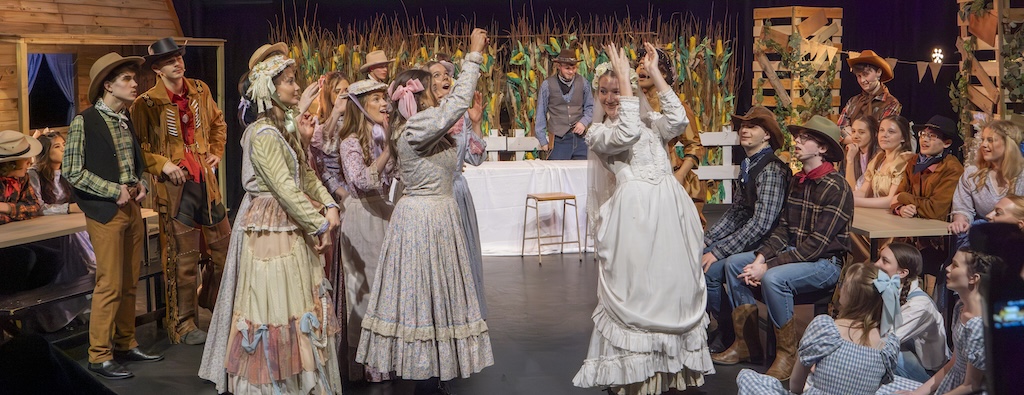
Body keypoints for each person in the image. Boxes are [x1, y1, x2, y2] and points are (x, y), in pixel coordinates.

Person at [356, 29, 494, 392]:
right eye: (431, 90)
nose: (438, 94)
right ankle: (421, 379)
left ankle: (431, 376)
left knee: (435, 299)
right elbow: (456, 104)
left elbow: (465, 141)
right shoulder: (416, 127)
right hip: (424, 220)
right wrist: (474, 56)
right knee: (421, 299)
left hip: (438, 216)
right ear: (415, 98)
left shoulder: (423, 129)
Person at [572, 43, 713, 395]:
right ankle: (634, 376)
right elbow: (626, 133)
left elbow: (679, 120)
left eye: (614, 89)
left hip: (668, 211)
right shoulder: (599, 133)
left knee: (671, 290)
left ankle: (667, 372)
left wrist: (658, 76)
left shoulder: (650, 120)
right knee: (638, 294)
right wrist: (624, 78)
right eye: (603, 91)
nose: (609, 96)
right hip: (634, 217)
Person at [198, 50, 342, 394]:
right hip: (269, 229)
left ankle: (301, 379)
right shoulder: (261, 134)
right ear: (269, 88)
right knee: (272, 308)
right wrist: (318, 224)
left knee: (297, 305)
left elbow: (305, 174)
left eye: (294, 79)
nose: (297, 86)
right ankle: (274, 384)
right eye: (289, 81)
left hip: (289, 225)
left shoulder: (282, 128)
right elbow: (284, 188)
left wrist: (329, 202)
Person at [712, 115, 853, 382]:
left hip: (824, 264)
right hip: (794, 253)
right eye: (798, 137)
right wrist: (761, 257)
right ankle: (746, 344)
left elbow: (817, 245)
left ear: (822, 149)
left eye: (805, 138)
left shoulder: (837, 187)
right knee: (734, 264)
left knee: (774, 278)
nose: (797, 141)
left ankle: (787, 354)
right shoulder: (798, 180)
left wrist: (767, 267)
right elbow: (783, 229)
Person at [64, 52, 164, 379]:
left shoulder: (125, 118)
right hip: (106, 212)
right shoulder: (85, 121)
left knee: (129, 282)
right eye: (127, 79)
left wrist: (142, 183)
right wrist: (112, 190)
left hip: (132, 209)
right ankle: (99, 355)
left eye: (133, 79)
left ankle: (125, 342)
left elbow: (134, 163)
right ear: (108, 85)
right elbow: (72, 171)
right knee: (109, 284)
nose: (135, 84)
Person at [129, 37, 230, 345]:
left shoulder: (200, 89)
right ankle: (183, 324)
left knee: (225, 252)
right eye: (171, 60)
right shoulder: (145, 104)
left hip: (207, 185)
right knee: (182, 261)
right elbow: (139, 148)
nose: (178, 63)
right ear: (158, 69)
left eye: (180, 58)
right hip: (175, 190)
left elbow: (217, 123)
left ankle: (215, 304)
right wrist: (161, 165)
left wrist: (215, 150)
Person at [736, 262, 900, 394]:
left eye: (843, 284)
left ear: (849, 294)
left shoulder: (825, 328)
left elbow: (795, 385)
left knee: (748, 377)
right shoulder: (888, 345)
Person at [703, 105, 789, 354]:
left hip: (770, 243)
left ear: (767, 135)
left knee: (711, 267)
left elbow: (763, 224)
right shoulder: (749, 165)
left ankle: (731, 333)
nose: (744, 130)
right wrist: (708, 240)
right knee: (703, 254)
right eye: (743, 126)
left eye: (752, 126)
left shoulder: (771, 169)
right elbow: (738, 212)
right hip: (754, 237)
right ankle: (724, 329)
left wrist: (719, 251)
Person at [335, 78, 396, 383]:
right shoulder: (350, 143)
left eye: (385, 98)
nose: (384, 104)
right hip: (362, 216)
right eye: (377, 99)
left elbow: (395, 173)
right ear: (361, 105)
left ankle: (389, 358)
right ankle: (368, 365)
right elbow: (361, 180)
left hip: (384, 211)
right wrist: (389, 150)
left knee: (386, 287)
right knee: (366, 290)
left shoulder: (382, 137)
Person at [426, 58, 489, 319]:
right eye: (437, 76)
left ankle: (464, 311)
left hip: (458, 192)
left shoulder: (460, 115)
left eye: (447, 75)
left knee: (463, 252)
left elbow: (476, 158)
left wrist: (475, 122)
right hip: (436, 194)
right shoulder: (425, 118)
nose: (445, 79)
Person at [882, 248, 993, 394]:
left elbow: (972, 385)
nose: (947, 268)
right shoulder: (960, 306)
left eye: (955, 265)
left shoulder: (978, 324)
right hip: (951, 382)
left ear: (973, 278)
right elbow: (954, 363)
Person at [25, 131, 96, 333]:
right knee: (73, 246)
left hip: (69, 228)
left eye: (64, 144)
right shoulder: (35, 174)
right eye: (58, 146)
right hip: (48, 234)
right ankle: (57, 317)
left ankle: (75, 310)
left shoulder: (68, 173)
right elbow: (37, 207)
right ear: (46, 152)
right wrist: (67, 208)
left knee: (79, 237)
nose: (64, 149)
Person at [635, 45, 707, 225]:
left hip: (670, 175)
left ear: (663, 74)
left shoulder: (676, 107)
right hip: (639, 178)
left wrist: (681, 175)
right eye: (640, 64)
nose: (642, 68)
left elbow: (694, 145)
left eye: (648, 64)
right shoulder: (630, 105)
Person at [872, 242, 949, 382]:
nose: (876, 264)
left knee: (878, 355)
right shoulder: (889, 288)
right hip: (906, 349)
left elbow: (886, 341)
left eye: (885, 261)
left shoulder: (919, 305)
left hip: (929, 373)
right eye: (879, 258)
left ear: (902, 273)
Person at [851, 115, 915, 262]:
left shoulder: (904, 160)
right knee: (847, 226)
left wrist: (852, 201)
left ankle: (873, 270)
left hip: (893, 223)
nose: (884, 135)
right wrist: (843, 195)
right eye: (881, 130)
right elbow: (863, 191)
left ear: (903, 138)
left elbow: (889, 201)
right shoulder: (879, 158)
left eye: (891, 132)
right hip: (876, 217)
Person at [0, 130, 56, 296]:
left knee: (53, 258)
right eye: (25, 159)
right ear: (11, 163)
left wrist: (7, 208)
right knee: (24, 258)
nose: (29, 162)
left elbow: (34, 206)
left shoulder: (21, 179)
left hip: (12, 239)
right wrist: (17, 213)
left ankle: (28, 311)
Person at [949, 120, 1024, 242]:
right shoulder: (972, 174)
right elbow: (962, 208)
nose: (983, 145)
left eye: (990, 140)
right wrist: (960, 221)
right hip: (982, 233)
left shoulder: (1022, 176)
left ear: (1008, 144)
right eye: (983, 139)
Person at [891, 116, 965, 221]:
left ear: (946, 143)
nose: (924, 139)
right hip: (910, 228)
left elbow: (934, 210)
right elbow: (896, 197)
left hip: (936, 232)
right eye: (923, 134)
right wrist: (901, 208)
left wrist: (904, 197)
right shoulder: (914, 160)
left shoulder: (952, 169)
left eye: (932, 136)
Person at [534, 48, 595, 160]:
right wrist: (543, 141)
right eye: (567, 68)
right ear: (559, 66)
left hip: (580, 140)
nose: (571, 71)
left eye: (574, 68)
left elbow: (590, 107)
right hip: (559, 141)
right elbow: (540, 113)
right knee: (557, 175)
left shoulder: (583, 83)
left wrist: (583, 122)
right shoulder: (547, 85)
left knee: (582, 174)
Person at [837, 50, 902, 132]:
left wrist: (852, 133)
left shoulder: (891, 103)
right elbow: (839, 129)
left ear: (878, 72)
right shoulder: (853, 101)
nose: (862, 80)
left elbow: (882, 134)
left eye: (865, 74)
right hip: (850, 145)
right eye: (859, 76)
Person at [843, 115, 881, 190]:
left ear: (874, 134)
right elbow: (849, 189)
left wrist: (850, 160)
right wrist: (850, 160)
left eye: (861, 132)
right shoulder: (852, 152)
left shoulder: (879, 156)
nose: (855, 136)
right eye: (853, 131)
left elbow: (854, 191)